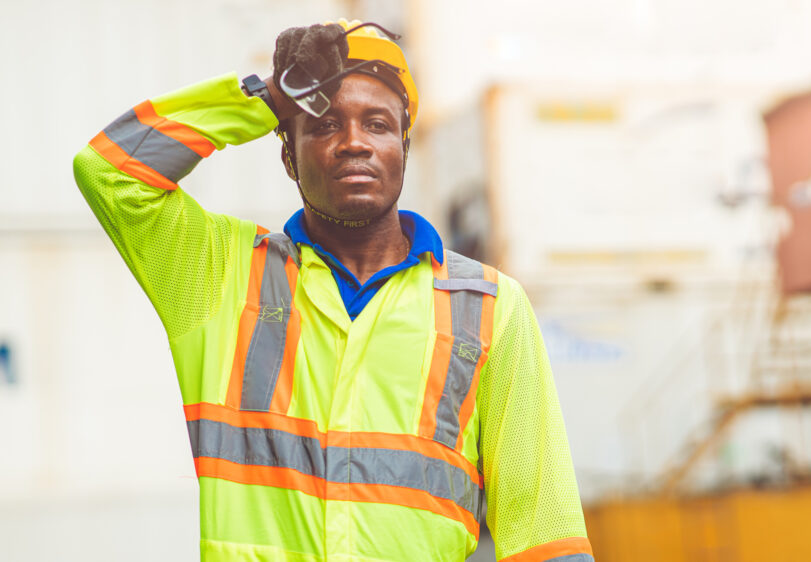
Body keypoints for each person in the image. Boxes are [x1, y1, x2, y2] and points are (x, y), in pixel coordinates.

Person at [73, 19, 593, 562]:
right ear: (288, 156)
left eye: (377, 124)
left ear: (403, 148)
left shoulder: (488, 307)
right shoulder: (221, 274)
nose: (353, 144)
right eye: (323, 126)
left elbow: (544, 535)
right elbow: (109, 172)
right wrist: (267, 99)